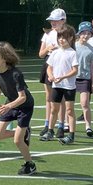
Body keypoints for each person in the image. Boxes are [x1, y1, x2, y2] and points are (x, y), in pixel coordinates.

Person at [0, 41, 37, 175]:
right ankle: (24, 133)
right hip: (9, 103)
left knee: (18, 141)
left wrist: (8, 106)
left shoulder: (16, 74)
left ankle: (30, 164)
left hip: (24, 107)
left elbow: (23, 97)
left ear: (5, 59)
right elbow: (0, 83)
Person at [45, 25, 79, 144]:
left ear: (70, 38)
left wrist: (63, 77)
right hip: (57, 85)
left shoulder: (72, 53)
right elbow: (49, 68)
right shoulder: (55, 53)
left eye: (64, 37)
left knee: (69, 110)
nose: (61, 40)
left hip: (68, 86)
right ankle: (50, 131)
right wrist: (51, 76)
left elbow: (75, 70)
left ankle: (71, 135)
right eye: (59, 37)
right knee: (54, 109)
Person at [38, 9, 66, 138]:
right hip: (49, 63)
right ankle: (47, 124)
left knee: (61, 98)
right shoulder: (48, 34)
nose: (53, 23)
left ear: (63, 20)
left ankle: (61, 125)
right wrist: (48, 48)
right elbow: (41, 54)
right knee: (49, 97)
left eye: (56, 20)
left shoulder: (67, 33)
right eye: (51, 20)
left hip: (61, 65)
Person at [74, 22, 93, 137]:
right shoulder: (73, 46)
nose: (86, 36)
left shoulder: (92, 49)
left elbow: (92, 67)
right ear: (79, 34)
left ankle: (88, 126)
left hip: (85, 79)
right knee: (68, 103)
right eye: (83, 33)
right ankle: (67, 124)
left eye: (88, 33)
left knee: (84, 103)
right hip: (72, 77)